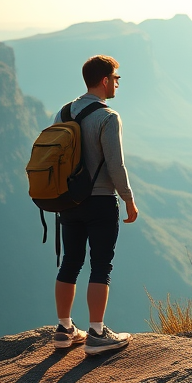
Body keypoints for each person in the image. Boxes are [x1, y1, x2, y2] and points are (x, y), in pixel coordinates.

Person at [51, 55, 140, 355]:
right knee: (101, 265)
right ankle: (97, 333)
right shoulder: (108, 117)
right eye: (116, 78)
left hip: (68, 201)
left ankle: (64, 328)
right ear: (104, 80)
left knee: (70, 262)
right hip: (100, 202)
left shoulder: (63, 112)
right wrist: (128, 199)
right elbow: (116, 165)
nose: (117, 83)